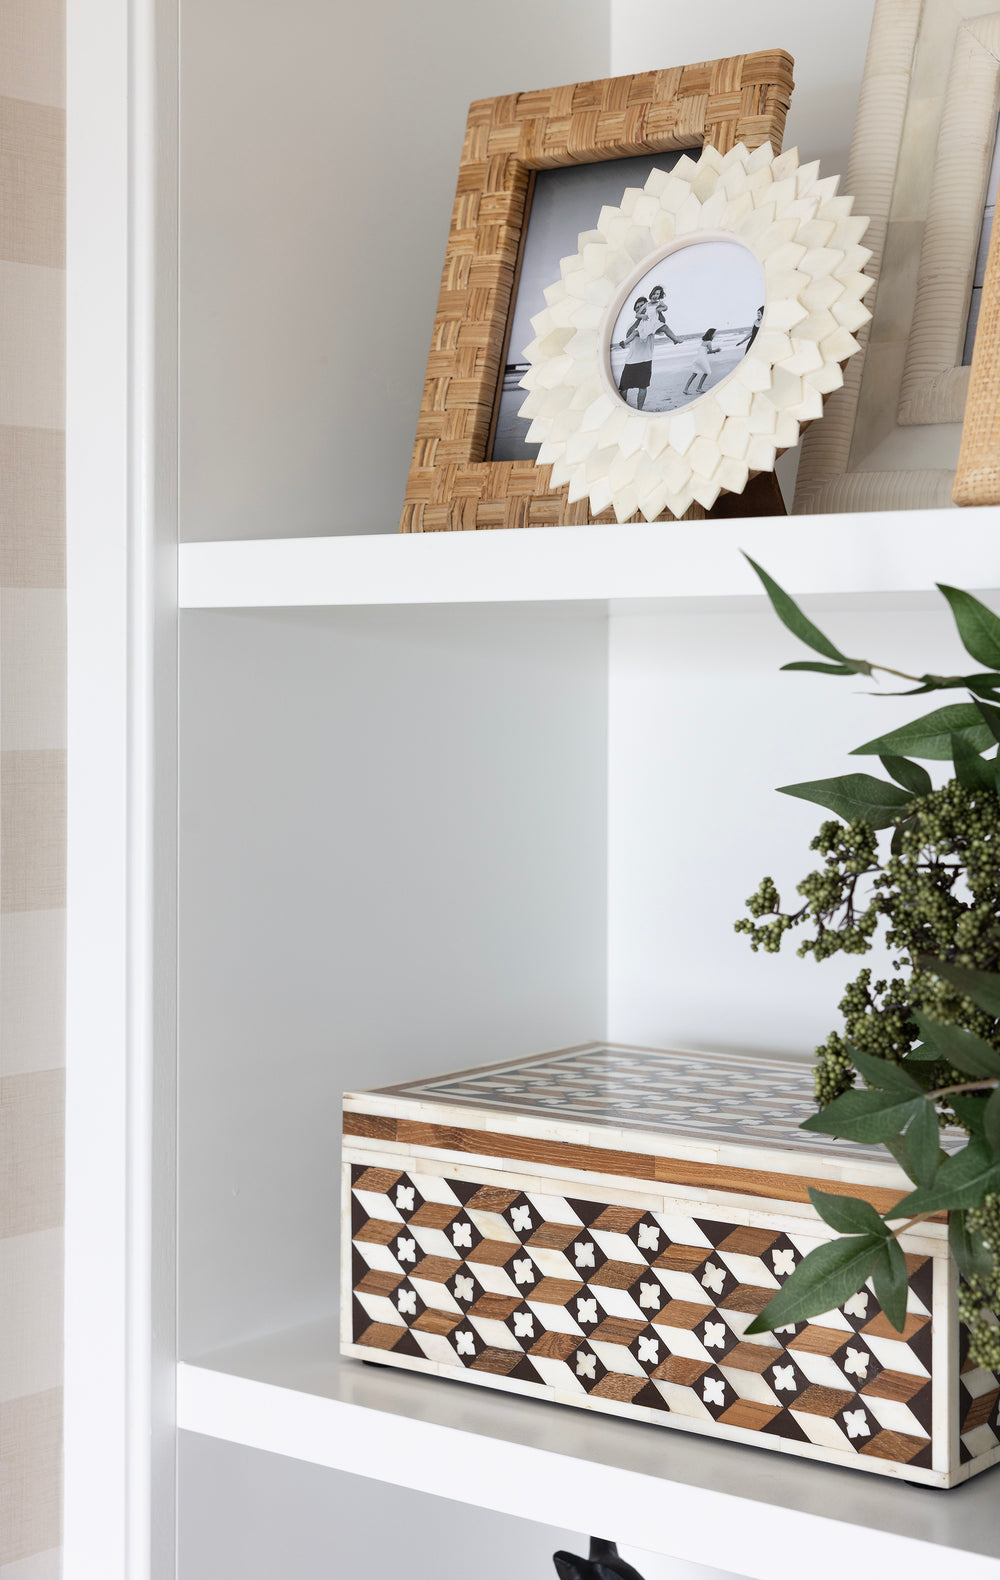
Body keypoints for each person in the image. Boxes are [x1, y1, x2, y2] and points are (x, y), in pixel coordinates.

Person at [616, 291, 679, 409]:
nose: (641, 308)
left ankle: (640, 409)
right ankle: (624, 407)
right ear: (636, 310)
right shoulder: (632, 323)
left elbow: (662, 324)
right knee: (623, 388)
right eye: (638, 307)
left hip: (646, 359)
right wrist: (640, 319)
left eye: (642, 305)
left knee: (643, 387)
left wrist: (658, 311)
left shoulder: (652, 324)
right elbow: (629, 334)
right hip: (631, 360)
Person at [683, 327, 722, 396]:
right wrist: (717, 350)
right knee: (707, 372)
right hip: (702, 359)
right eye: (714, 334)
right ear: (711, 334)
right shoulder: (709, 342)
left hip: (697, 359)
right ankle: (699, 388)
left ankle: (685, 389)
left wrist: (713, 351)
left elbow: (705, 352)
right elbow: (710, 351)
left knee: (694, 373)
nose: (715, 335)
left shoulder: (703, 342)